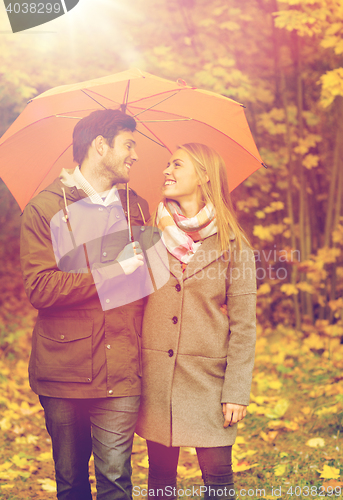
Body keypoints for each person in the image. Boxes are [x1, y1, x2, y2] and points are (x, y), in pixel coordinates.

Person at [20, 109, 150, 500]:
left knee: (116, 484)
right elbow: (40, 288)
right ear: (100, 146)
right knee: (72, 486)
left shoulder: (137, 207)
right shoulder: (46, 209)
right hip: (64, 371)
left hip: (122, 366)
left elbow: (151, 288)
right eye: (129, 144)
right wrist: (112, 271)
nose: (136, 155)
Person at [136, 143, 257, 500]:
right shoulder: (148, 236)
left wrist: (236, 390)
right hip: (156, 376)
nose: (166, 171)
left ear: (204, 175)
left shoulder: (235, 245)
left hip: (209, 380)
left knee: (218, 481)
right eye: (166, 164)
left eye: (177, 164)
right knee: (159, 480)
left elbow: (244, 325)